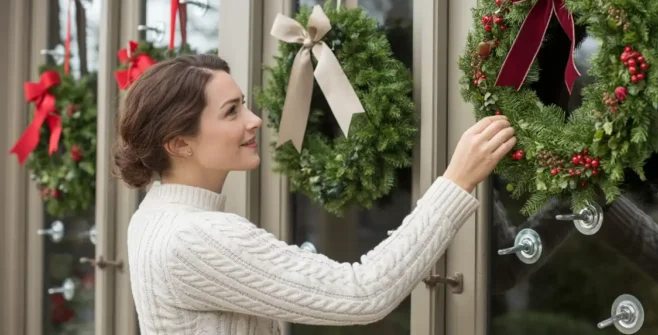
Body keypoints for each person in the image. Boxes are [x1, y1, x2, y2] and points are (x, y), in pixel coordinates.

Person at [114, 54, 517, 334]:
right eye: (231, 111)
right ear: (179, 143)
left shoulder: (153, 215)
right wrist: (456, 181)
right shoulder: (196, 237)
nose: (254, 120)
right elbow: (363, 293)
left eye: (244, 105)